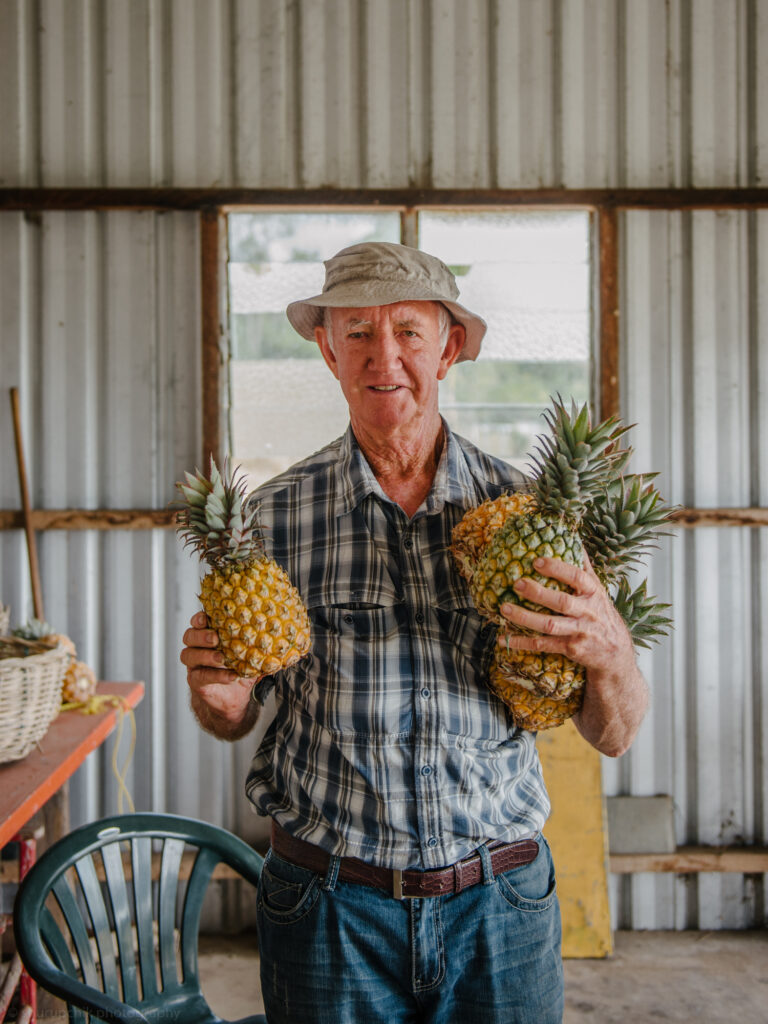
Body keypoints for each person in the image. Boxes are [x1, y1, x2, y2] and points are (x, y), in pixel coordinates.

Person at [181, 241, 649, 1024]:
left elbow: (615, 734)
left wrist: (610, 653)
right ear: (328, 351)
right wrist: (219, 696)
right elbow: (232, 721)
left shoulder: (536, 517)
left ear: (450, 347)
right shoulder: (273, 518)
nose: (383, 355)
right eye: (357, 332)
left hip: (499, 904)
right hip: (329, 906)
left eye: (408, 330)